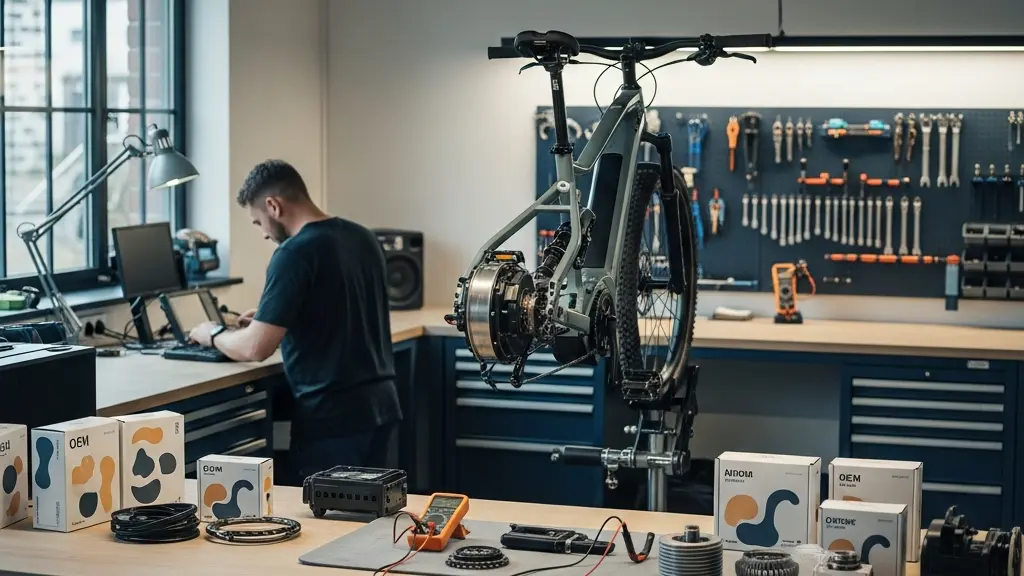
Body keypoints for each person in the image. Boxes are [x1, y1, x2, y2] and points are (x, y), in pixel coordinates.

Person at [188, 159, 402, 480]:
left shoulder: (294, 253)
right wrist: (274, 317)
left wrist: (212, 333)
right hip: (381, 409)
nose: (262, 234)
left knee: (333, 524)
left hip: (332, 419)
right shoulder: (362, 238)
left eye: (257, 222)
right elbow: (338, 308)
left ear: (273, 206)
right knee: (374, 519)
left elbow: (255, 349)